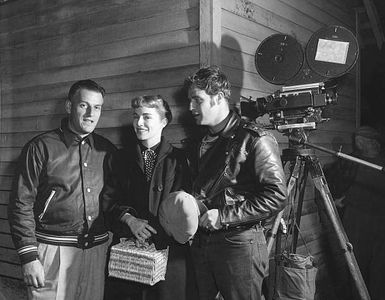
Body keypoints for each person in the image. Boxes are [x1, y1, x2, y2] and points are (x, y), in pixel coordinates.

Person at [184, 66, 288, 300]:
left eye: (197, 100)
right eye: (189, 100)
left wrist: (223, 216)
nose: (190, 108)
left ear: (219, 97)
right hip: (202, 242)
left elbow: (277, 196)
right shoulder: (198, 141)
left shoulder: (255, 138)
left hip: (239, 244)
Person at [8, 80, 116, 300]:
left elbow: (115, 200)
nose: (90, 114)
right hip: (52, 252)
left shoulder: (108, 150)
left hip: (96, 252)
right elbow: (21, 203)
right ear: (69, 107)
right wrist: (29, 256)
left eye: (97, 107)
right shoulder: (40, 147)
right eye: (83, 105)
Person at [103, 95, 196, 300]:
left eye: (147, 117)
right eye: (136, 117)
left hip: (170, 257)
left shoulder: (181, 161)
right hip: (130, 257)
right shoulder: (118, 159)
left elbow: (187, 208)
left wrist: (159, 233)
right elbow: (108, 201)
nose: (139, 123)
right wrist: (130, 220)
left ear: (164, 121)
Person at [326, 126, 385, 300]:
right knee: (354, 264)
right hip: (355, 219)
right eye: (358, 139)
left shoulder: (382, 162)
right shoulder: (351, 160)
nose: (359, 142)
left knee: (379, 269)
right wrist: (335, 200)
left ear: (374, 143)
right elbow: (332, 178)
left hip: (380, 222)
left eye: (363, 139)